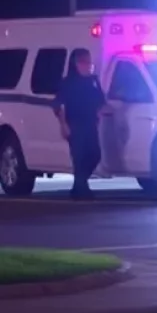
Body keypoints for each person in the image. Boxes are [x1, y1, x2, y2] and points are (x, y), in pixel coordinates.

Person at [53, 48, 109, 199]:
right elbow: (59, 105)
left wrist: (101, 110)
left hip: (90, 124)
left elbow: (101, 100)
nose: (88, 66)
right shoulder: (68, 83)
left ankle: (79, 185)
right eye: (85, 62)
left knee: (95, 154)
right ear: (76, 64)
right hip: (75, 125)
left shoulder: (93, 81)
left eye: (89, 63)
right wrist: (63, 124)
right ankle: (81, 189)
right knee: (79, 158)